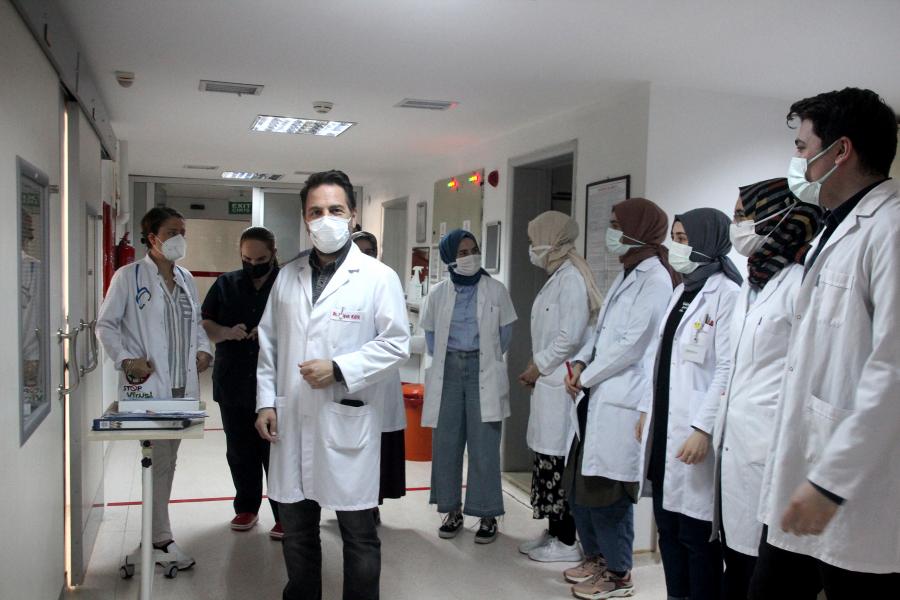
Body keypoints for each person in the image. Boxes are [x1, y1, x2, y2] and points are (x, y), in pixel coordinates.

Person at [750, 88, 900, 598]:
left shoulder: (889, 229)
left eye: (801, 147)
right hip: (806, 474)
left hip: (852, 487)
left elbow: (892, 369)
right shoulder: (832, 230)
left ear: (840, 151)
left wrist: (831, 480)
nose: (797, 161)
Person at [254, 170, 409, 600]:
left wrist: (339, 368)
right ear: (305, 218)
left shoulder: (378, 276)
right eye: (316, 211)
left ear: (352, 215)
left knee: (359, 534)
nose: (326, 219)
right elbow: (269, 344)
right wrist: (265, 402)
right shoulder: (287, 276)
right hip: (291, 418)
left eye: (335, 210)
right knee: (297, 531)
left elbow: (396, 344)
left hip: (346, 419)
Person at [712, 179, 823, 599]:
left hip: (771, 445)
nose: (737, 225)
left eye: (744, 215)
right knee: (736, 564)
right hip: (737, 446)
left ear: (778, 217)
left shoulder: (802, 281)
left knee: (762, 571)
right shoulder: (751, 283)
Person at [564, 198, 679, 599]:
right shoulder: (627, 271)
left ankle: (618, 574)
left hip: (622, 396)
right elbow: (601, 330)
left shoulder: (656, 279)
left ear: (639, 229)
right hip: (598, 393)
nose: (610, 232)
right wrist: (581, 362)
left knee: (609, 494)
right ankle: (597, 558)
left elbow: (633, 344)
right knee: (581, 489)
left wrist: (588, 376)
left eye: (616, 224)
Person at [96, 206, 212, 571]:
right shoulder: (128, 277)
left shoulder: (185, 277)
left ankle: (156, 535)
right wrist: (126, 359)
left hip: (182, 387)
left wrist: (204, 350)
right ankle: (159, 538)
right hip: (149, 387)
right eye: (173, 232)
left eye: (183, 232)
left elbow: (195, 323)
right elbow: (105, 325)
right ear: (153, 238)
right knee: (158, 460)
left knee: (167, 460)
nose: (181, 238)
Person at [640, 207, 741, 600]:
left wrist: (703, 428)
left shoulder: (727, 294)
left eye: (683, 239)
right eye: (675, 239)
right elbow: (660, 359)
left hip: (695, 429)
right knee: (668, 528)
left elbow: (727, 368)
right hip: (666, 424)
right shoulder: (682, 290)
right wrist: (646, 411)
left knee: (696, 536)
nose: (676, 247)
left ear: (706, 241)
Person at [419, 229, 516, 544]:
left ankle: (487, 514)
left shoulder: (496, 289)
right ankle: (452, 511)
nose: (470, 257)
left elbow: (504, 335)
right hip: (448, 370)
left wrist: (481, 357)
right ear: (449, 258)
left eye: (473, 250)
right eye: (462, 253)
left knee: (484, 445)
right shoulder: (438, 293)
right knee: (446, 444)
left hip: (481, 368)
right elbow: (431, 336)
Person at [516, 211, 601, 563]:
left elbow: (569, 336)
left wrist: (539, 366)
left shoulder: (572, 279)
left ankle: (566, 541)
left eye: (534, 241)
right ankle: (553, 532)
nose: (531, 248)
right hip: (549, 382)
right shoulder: (559, 275)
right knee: (546, 462)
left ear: (550, 241)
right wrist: (538, 366)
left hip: (559, 382)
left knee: (558, 465)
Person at [201, 226, 282, 538]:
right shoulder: (226, 283)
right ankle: (246, 507)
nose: (253, 265)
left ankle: (285, 513)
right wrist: (225, 332)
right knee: (239, 449)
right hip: (233, 379)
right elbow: (206, 320)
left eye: (260, 259)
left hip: (275, 383)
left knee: (277, 451)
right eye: (247, 259)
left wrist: (271, 334)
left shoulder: (287, 284)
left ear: (273, 254)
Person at [351, 230, 407, 525]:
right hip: (347, 380)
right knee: (349, 448)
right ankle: (348, 503)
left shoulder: (386, 280)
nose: (365, 256)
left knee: (379, 446)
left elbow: (396, 338)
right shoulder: (340, 285)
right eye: (358, 250)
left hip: (381, 380)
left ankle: (371, 504)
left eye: (370, 250)